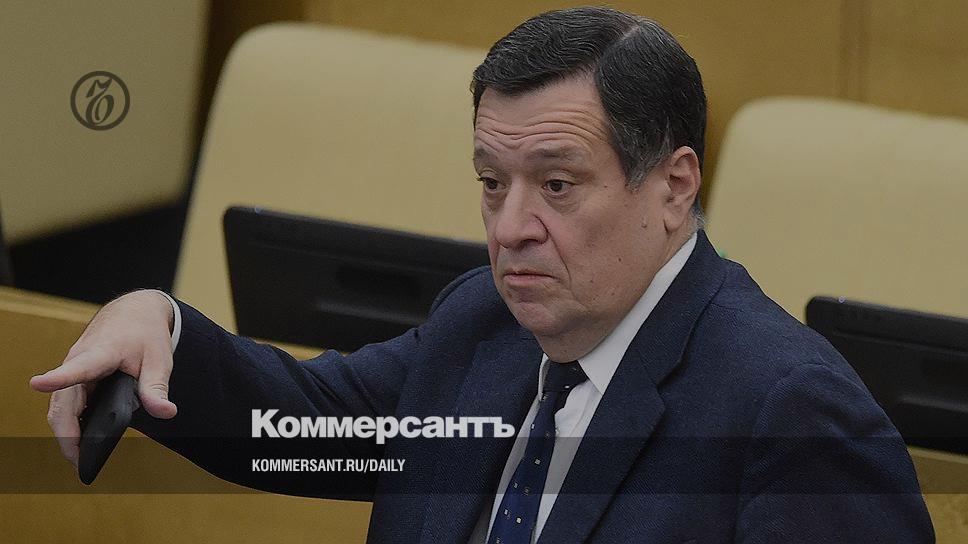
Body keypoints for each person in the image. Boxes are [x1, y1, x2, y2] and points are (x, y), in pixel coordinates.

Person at [31, 6, 933, 543]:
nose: (509, 229)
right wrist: (156, 321)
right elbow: (300, 426)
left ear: (673, 185)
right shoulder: (485, 324)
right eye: (492, 184)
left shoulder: (789, 413)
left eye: (557, 186)